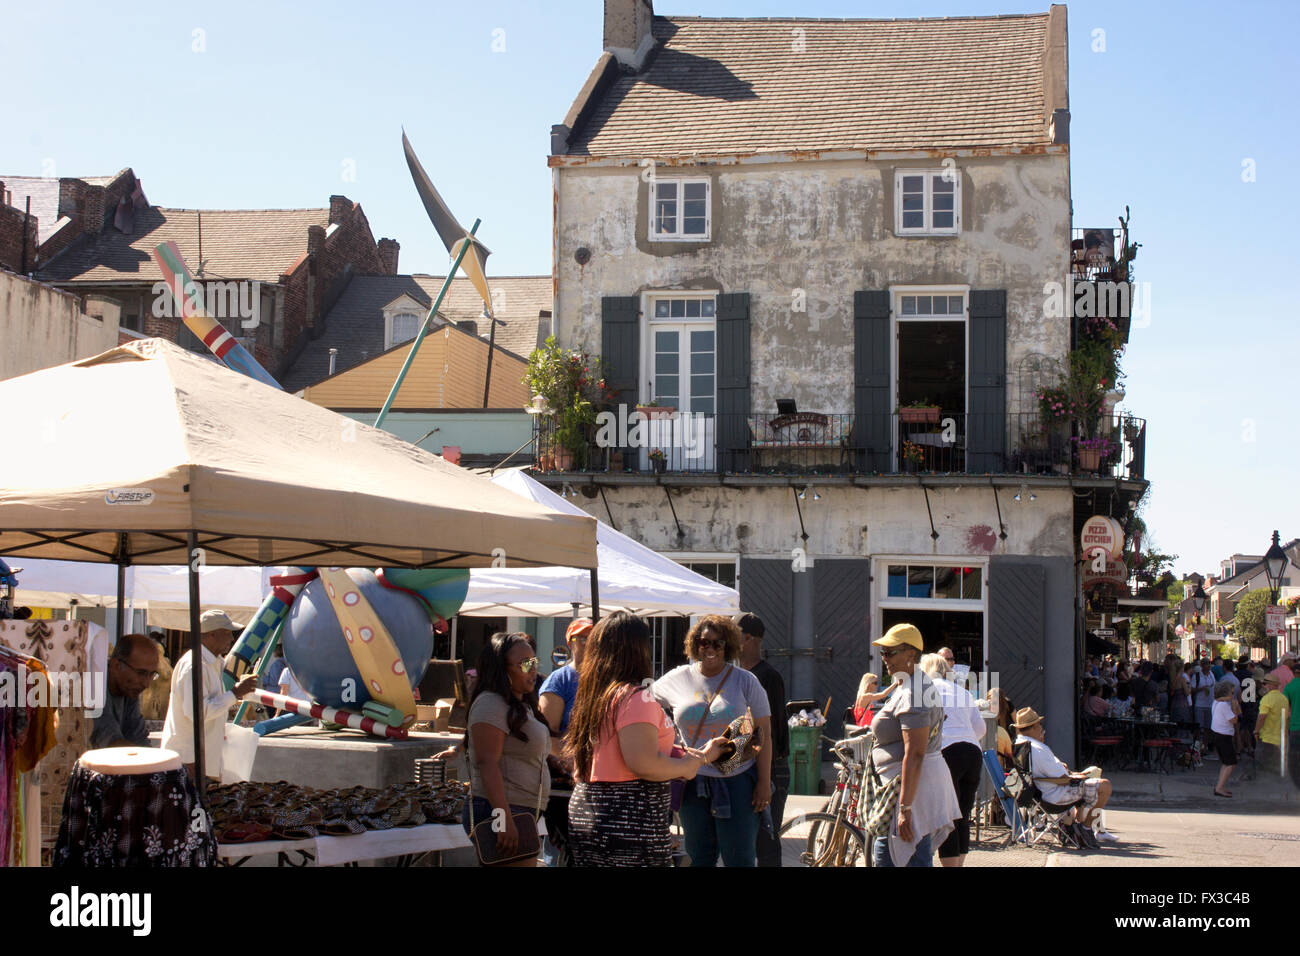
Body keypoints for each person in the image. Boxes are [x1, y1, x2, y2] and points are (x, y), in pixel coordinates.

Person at [565, 612, 724, 866]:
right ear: (637, 649)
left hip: (588, 808)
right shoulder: (636, 697)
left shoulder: (595, 696)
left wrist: (695, 755)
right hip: (628, 814)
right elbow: (643, 762)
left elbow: (618, 749)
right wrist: (688, 766)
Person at [653, 614, 772, 868]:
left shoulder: (745, 680)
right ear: (695, 644)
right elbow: (644, 704)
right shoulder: (678, 677)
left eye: (717, 643)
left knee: (739, 859)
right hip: (693, 780)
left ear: (728, 646)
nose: (710, 649)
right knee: (699, 857)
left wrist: (763, 782)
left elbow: (764, 734)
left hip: (738, 781)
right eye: (704, 642)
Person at [868, 623, 959, 867]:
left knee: (898, 855)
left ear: (911, 654)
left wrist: (906, 808)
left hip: (910, 793)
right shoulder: (909, 683)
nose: (885, 658)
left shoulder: (915, 692)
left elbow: (915, 753)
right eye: (883, 653)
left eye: (890, 652)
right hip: (909, 789)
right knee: (907, 855)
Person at [461, 631, 551, 866]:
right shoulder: (491, 703)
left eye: (534, 662)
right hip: (502, 810)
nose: (532, 670)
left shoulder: (518, 703)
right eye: (524, 664)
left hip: (518, 810)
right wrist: (502, 819)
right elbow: (487, 763)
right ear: (502, 669)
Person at [161, 610, 258, 782]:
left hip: (203, 760)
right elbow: (197, 713)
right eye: (227, 633)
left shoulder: (213, 663)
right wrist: (235, 693)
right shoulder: (194, 666)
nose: (231, 639)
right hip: (189, 760)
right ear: (211, 635)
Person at [1012, 707, 1117, 845]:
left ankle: (1077, 828)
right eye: (1039, 725)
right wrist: (1077, 775)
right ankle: (1085, 828)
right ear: (1033, 727)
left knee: (1090, 779)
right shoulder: (1036, 748)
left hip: (1041, 793)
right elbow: (1061, 777)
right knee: (1104, 785)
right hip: (1055, 794)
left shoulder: (1020, 745)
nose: (1041, 728)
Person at [920, 652, 985, 867]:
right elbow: (981, 728)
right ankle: (959, 864)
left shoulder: (926, 690)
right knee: (963, 814)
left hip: (946, 751)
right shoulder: (963, 692)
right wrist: (964, 737)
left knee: (946, 815)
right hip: (972, 752)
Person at [736, 611, 789, 868]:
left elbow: (771, 733)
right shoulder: (737, 675)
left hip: (770, 767)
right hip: (748, 765)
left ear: (746, 639)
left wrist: (765, 779)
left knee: (766, 840)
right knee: (748, 840)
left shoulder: (767, 677)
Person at [92, 633, 162, 748]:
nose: (146, 684)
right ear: (116, 665)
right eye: (141, 673)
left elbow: (139, 738)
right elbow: (110, 742)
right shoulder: (92, 685)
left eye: (151, 675)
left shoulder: (129, 690)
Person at [539, 618, 592, 747]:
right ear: (570, 643)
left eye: (593, 639)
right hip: (570, 762)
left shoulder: (606, 678)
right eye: (582, 639)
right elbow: (547, 735)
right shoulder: (559, 680)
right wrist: (570, 764)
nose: (588, 644)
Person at [1254, 673, 1287, 774]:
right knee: (1274, 764)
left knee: (1262, 763)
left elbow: (1262, 717)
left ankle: (1262, 783)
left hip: (1266, 737)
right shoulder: (1283, 698)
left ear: (1271, 685)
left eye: (1264, 683)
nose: (1263, 686)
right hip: (1278, 738)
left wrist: (1256, 731)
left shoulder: (1267, 699)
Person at [1211, 681, 1238, 797]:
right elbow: (1234, 720)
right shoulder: (1223, 705)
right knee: (1231, 763)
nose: (1233, 695)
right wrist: (1235, 708)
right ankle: (1219, 787)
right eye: (1232, 693)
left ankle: (1220, 786)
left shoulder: (1216, 703)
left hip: (1218, 734)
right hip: (1224, 736)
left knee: (1226, 763)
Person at [1191, 658, 1217, 749]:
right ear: (1202, 666)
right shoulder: (1197, 676)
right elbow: (1192, 690)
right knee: (1198, 727)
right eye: (1206, 664)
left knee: (1208, 728)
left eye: (1209, 663)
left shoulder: (1211, 675)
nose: (1208, 665)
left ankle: (1205, 746)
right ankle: (1197, 746)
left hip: (1210, 704)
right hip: (1199, 705)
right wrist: (1201, 689)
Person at [1283, 666, 1300, 790]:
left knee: (1294, 756)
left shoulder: (1288, 687)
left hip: (1295, 726)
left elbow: (1285, 708)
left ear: (1293, 673)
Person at [1168, 656, 1192, 724]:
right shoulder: (1182, 679)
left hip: (1174, 704)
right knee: (1183, 725)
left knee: (1175, 724)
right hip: (1182, 705)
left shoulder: (1172, 679)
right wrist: (1189, 687)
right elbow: (1187, 693)